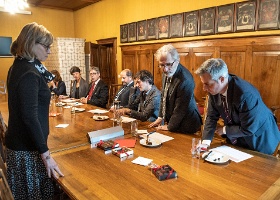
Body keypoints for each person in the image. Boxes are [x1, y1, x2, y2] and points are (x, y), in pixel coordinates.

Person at [6, 22, 64, 199]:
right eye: (46, 46)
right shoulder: (29, 73)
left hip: (20, 144)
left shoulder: (19, 65)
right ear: (31, 43)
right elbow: (30, 117)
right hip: (27, 149)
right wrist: (46, 156)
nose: (49, 51)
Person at [195, 58, 280, 155]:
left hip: (260, 138)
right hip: (238, 137)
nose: (204, 88)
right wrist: (205, 143)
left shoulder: (245, 94)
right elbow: (211, 117)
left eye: (207, 84)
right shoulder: (214, 90)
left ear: (222, 79)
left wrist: (224, 130)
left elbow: (248, 129)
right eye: (203, 84)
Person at [149, 44, 202, 133]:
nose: (165, 69)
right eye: (162, 65)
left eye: (168, 64)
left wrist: (170, 126)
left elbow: (180, 108)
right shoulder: (167, 71)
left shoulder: (185, 79)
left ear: (177, 61)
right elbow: (164, 95)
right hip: (174, 121)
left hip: (187, 124)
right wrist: (160, 117)